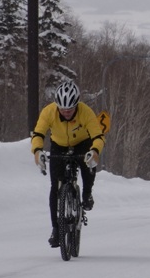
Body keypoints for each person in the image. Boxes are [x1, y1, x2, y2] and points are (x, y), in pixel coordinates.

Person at [31, 81, 105, 248]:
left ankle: (86, 195)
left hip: (82, 143)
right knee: (54, 188)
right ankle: (56, 229)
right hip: (59, 145)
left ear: (76, 105)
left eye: (69, 110)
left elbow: (98, 136)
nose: (66, 113)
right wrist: (37, 152)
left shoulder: (86, 112)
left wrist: (94, 151)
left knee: (88, 166)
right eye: (62, 109)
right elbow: (38, 134)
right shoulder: (48, 112)